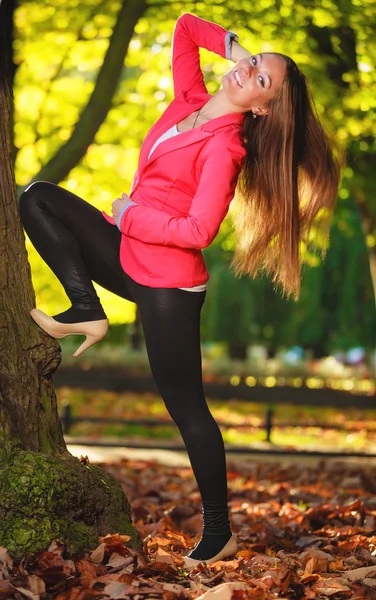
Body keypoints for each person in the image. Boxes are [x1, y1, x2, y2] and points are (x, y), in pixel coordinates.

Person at [18, 13, 341, 567]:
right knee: (38, 197)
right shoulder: (190, 99)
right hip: (128, 254)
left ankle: (220, 532)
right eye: (256, 61)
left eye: (263, 80)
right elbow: (187, 26)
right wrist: (234, 46)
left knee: (187, 409)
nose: (250, 71)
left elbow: (198, 232)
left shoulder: (226, 149)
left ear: (263, 109)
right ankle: (87, 309)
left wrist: (130, 214)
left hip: (168, 282)